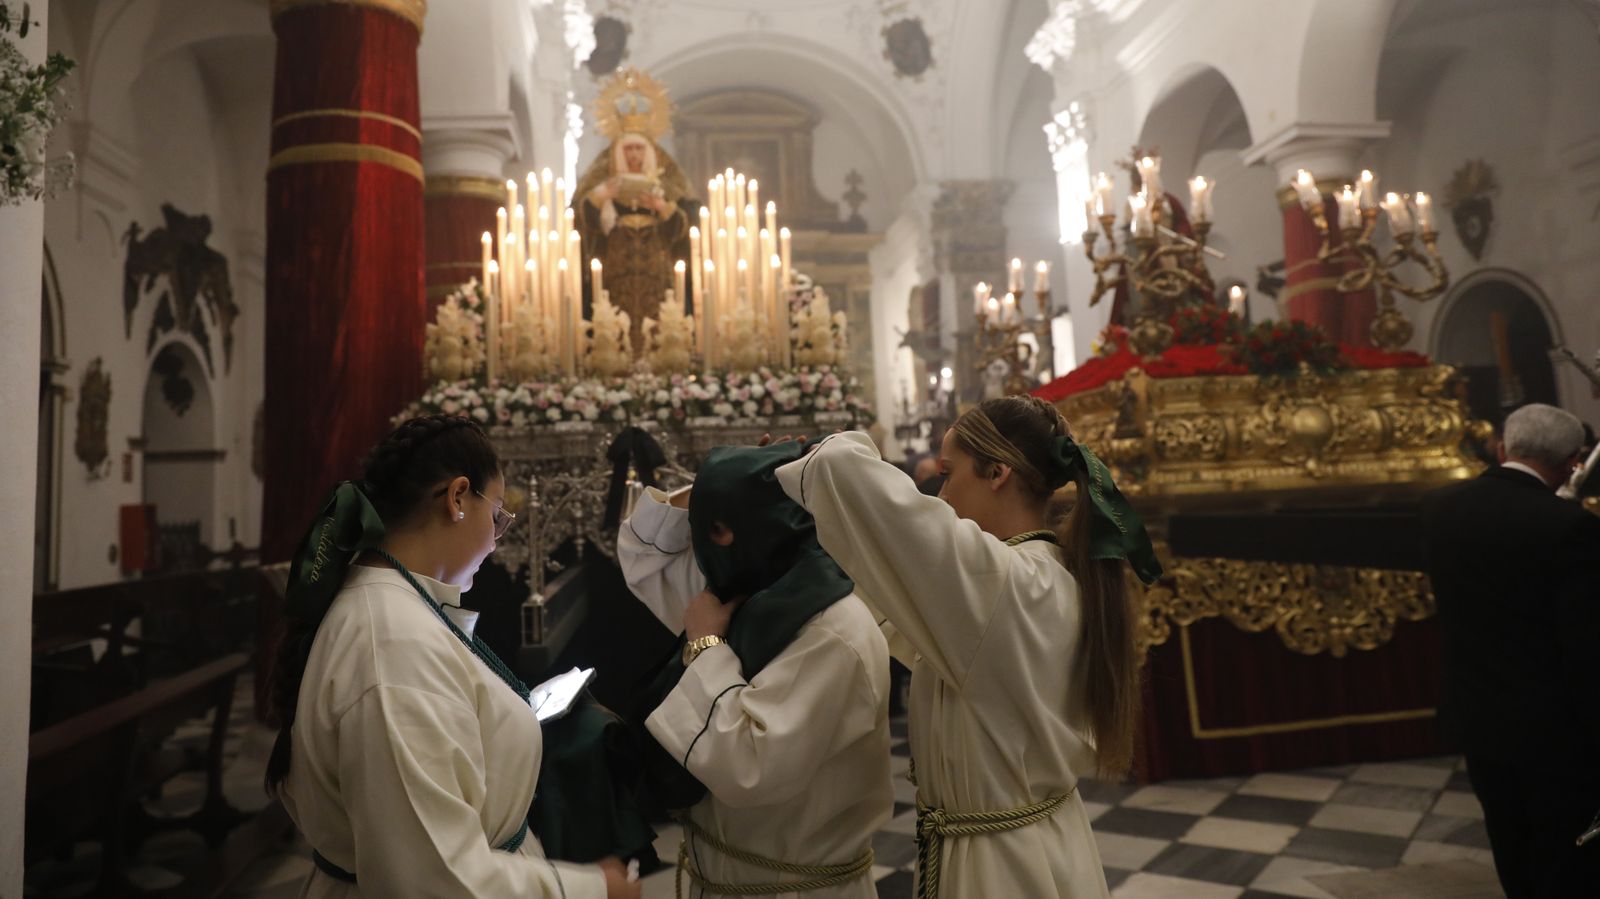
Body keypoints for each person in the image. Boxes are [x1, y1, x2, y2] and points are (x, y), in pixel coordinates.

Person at [775, 395, 1162, 898]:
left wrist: (784, 462)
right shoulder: (1053, 572)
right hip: (1042, 844)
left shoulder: (1000, 584)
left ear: (997, 472)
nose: (939, 494)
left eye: (947, 473)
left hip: (999, 870)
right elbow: (895, 598)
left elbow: (842, 468)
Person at [265, 414, 638, 898]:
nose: (496, 537)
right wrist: (593, 891)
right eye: (499, 514)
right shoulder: (394, 646)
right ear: (458, 498)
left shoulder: (401, 604)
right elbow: (429, 878)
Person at [617, 441, 892, 898]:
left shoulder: (832, 629)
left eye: (708, 529)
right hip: (725, 877)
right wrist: (727, 480)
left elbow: (750, 763)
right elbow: (648, 554)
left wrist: (706, 645)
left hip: (799, 888)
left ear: (725, 534)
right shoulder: (748, 590)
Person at [1422, 402, 1600, 898]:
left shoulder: (1440, 507)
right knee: (1568, 861)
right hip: (1555, 731)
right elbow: (1585, 646)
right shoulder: (1568, 526)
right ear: (1574, 462)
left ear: (1502, 447)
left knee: (1512, 845)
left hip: (1477, 717)